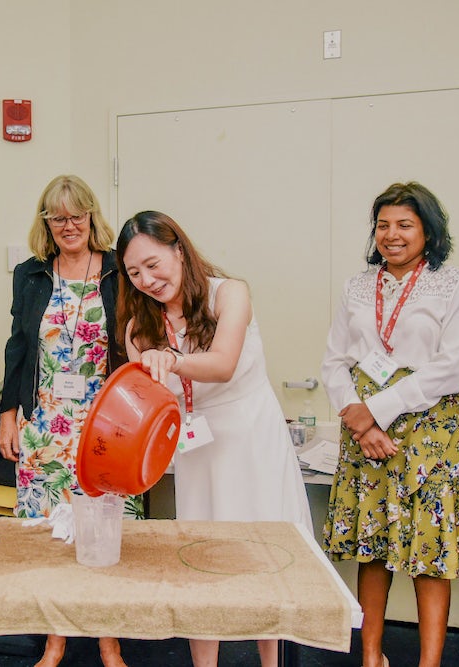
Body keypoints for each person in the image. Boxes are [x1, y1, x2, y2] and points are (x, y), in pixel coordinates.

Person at [117, 210, 313, 667]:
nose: (147, 279)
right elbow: (150, 401)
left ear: (178, 250)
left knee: (267, 555)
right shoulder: (137, 329)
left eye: (153, 263)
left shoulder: (231, 293)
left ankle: (272, 662)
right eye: (134, 272)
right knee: (199, 560)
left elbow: (223, 363)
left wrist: (169, 360)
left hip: (250, 439)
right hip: (196, 450)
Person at [320, 182, 459, 667]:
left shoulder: (456, 283)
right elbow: (335, 361)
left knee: (429, 546)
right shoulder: (357, 285)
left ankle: (428, 662)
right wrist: (360, 419)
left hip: (428, 430)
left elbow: (450, 367)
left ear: (428, 231)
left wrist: (378, 410)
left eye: (404, 225)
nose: (391, 235)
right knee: (372, 543)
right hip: (362, 428)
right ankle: (371, 655)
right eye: (382, 225)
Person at [0, 175, 137, 667]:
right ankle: (55, 639)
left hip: (107, 427)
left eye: (78, 215)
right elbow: (18, 347)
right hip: (46, 421)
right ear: (47, 224)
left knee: (106, 536)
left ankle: (108, 641)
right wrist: (8, 415)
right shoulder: (31, 274)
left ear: (92, 217)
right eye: (58, 217)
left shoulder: (120, 272)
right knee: (47, 537)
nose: (69, 225)